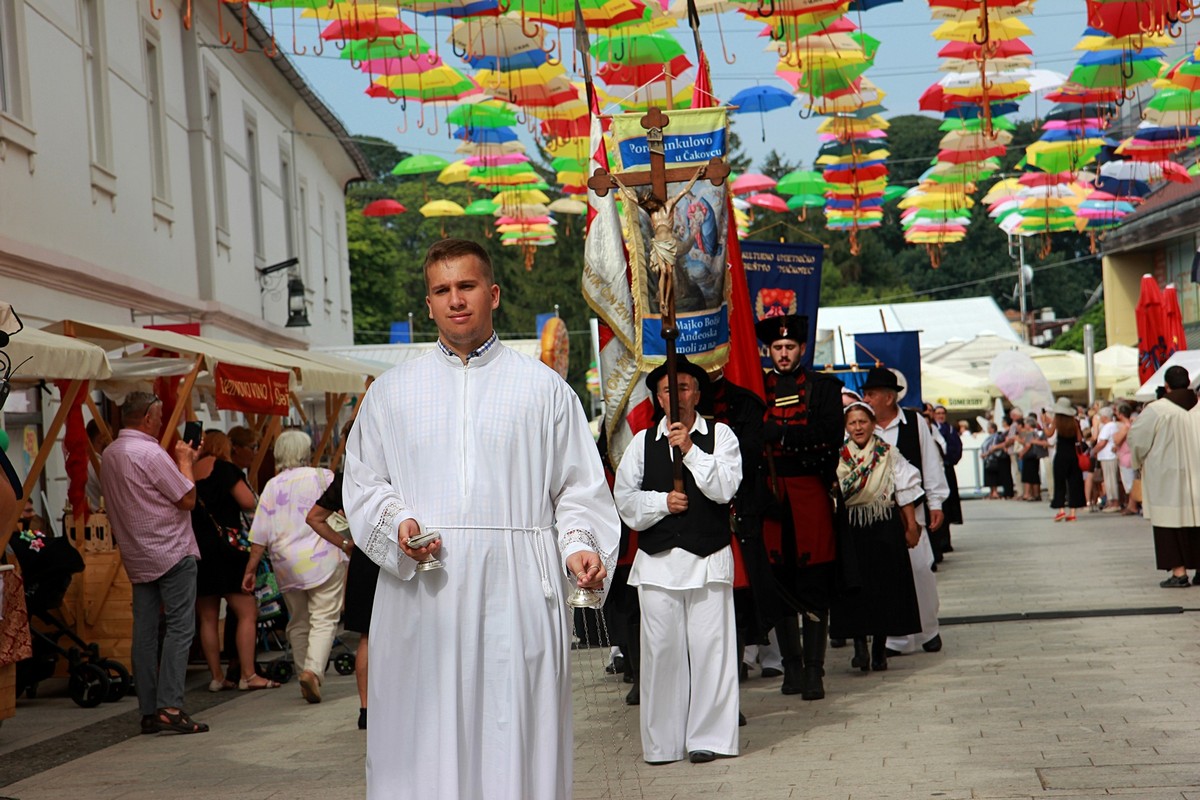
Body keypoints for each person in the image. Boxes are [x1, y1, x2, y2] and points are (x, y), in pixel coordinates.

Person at [342, 238, 619, 800]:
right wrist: (396, 524)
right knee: (423, 737)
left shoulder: (544, 390)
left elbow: (578, 488)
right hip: (424, 593)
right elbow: (365, 484)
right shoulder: (392, 393)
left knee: (515, 731)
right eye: (442, 291)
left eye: (466, 287)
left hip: (517, 594)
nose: (455, 301)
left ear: (492, 293)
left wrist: (578, 545)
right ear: (429, 304)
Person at [614, 356, 743, 765]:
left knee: (710, 649)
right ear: (657, 396)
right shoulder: (641, 443)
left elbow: (724, 488)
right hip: (657, 563)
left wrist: (689, 449)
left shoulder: (720, 436)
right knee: (662, 652)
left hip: (707, 560)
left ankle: (710, 737)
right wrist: (662, 504)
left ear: (698, 394)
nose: (676, 395)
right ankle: (663, 742)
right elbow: (625, 502)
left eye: (684, 387)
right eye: (669, 389)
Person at [98, 392, 208, 735]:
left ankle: (148, 709)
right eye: (159, 416)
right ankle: (170, 706)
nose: (161, 422)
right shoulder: (149, 451)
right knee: (178, 629)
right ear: (147, 417)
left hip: (137, 551)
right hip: (170, 548)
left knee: (144, 633)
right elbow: (187, 498)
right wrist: (186, 459)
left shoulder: (110, 453)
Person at [754, 313, 844, 700]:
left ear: (802, 349)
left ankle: (813, 671)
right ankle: (791, 667)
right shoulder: (757, 387)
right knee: (779, 580)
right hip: (772, 495)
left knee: (813, 581)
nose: (784, 353)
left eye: (790, 347)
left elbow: (829, 434)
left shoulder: (823, 388)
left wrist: (785, 435)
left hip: (809, 492)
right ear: (768, 350)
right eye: (778, 347)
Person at [241, 430, 344, 704]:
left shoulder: (273, 486)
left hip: (287, 564)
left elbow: (259, 534)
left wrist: (251, 569)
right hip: (324, 556)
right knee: (324, 616)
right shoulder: (323, 477)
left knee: (298, 620)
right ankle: (313, 670)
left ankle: (303, 673)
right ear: (307, 451)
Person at [860, 367, 948, 656]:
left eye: (871, 394)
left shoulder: (914, 422)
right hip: (878, 513)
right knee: (888, 574)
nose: (867, 398)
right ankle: (897, 637)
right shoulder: (863, 426)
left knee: (920, 568)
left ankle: (928, 629)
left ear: (888, 397)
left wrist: (936, 502)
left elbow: (931, 463)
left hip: (913, 509)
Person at [830, 402, 923, 673]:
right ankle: (860, 646)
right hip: (850, 529)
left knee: (884, 588)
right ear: (846, 427)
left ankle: (879, 648)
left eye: (863, 422)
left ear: (872, 424)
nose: (858, 427)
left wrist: (911, 526)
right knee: (854, 587)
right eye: (852, 423)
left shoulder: (888, 454)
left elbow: (904, 491)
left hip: (883, 528)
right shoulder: (839, 457)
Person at [306, 420, 380, 729]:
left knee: (366, 635)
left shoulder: (347, 478)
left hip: (363, 555)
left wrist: (347, 544)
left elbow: (315, 518)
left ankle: (366, 709)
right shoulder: (389, 475)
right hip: (392, 554)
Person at [191, 430, 277, 692]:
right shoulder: (226, 469)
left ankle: (217, 677)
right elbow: (249, 502)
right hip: (228, 550)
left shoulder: (189, 470)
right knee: (247, 612)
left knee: (207, 617)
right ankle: (248, 675)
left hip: (198, 549)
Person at [1129, 366, 1200, 588]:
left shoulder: (1157, 410)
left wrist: (1138, 461)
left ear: (1166, 385)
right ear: (1188, 383)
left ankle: (1179, 573)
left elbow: (1138, 440)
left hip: (1167, 476)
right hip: (1198, 475)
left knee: (1170, 524)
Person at [928, 405, 962, 564]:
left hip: (947, 468)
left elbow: (956, 447)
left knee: (948, 505)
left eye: (943, 413)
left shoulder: (949, 430)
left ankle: (946, 540)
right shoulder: (932, 429)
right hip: (937, 469)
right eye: (938, 413)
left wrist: (950, 459)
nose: (940, 416)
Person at [1047, 398, 1086, 522]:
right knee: (1074, 483)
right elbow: (1079, 439)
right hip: (1073, 456)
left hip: (1061, 455)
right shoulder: (1074, 421)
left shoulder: (1057, 421)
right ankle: (1073, 512)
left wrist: (1043, 423)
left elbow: (1049, 433)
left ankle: (1061, 510)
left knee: (1059, 483)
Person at [1094, 407, 1120, 511]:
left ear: (1104, 417)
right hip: (1108, 456)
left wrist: (1093, 451)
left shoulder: (1108, 426)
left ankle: (1114, 502)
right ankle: (1111, 501)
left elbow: (1102, 443)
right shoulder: (1112, 425)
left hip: (1108, 457)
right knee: (1109, 480)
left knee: (1110, 480)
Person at [980, 422, 1011, 499]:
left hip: (992, 458)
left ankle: (995, 492)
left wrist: (986, 454)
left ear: (993, 429)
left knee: (993, 476)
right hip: (987, 459)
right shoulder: (989, 437)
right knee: (989, 476)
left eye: (989, 427)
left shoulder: (996, 436)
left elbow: (993, 447)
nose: (988, 429)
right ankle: (992, 492)